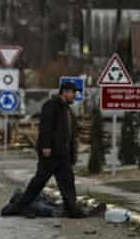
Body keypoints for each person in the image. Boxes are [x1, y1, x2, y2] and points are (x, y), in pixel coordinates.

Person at [9, 81, 84, 218]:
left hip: (63, 154)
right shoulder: (51, 105)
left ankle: (72, 209)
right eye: (73, 93)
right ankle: (18, 207)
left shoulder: (67, 109)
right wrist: (45, 146)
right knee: (39, 182)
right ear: (65, 92)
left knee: (67, 181)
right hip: (51, 153)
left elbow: (69, 133)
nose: (75, 96)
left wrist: (72, 153)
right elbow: (45, 127)